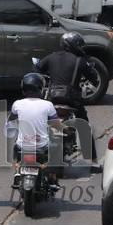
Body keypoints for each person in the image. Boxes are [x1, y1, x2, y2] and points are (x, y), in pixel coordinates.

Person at [35, 31, 98, 160]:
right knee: (84, 126)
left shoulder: (51, 56)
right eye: (79, 45)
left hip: (52, 97)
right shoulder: (80, 61)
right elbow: (94, 79)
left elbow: (38, 68)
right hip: (72, 99)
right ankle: (92, 159)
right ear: (73, 45)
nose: (81, 48)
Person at [8, 72, 62, 190]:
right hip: (41, 146)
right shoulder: (48, 105)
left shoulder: (17, 104)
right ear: (40, 88)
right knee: (57, 149)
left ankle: (17, 170)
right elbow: (56, 125)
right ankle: (53, 179)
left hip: (23, 146)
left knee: (16, 147)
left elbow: (10, 124)